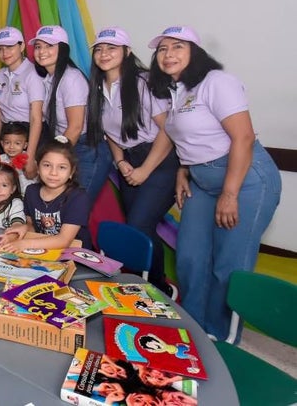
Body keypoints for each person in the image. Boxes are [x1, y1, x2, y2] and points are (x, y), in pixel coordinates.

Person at [148, 26, 281, 340]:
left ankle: (222, 338)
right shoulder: (177, 91)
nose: (168, 54)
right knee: (190, 257)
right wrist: (184, 169)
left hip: (245, 180)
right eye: (162, 49)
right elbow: (191, 138)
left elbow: (243, 138)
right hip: (202, 182)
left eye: (177, 47)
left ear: (195, 52)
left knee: (229, 265)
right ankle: (194, 331)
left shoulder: (217, 82)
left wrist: (230, 194)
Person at [87, 27, 178, 297]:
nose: (104, 54)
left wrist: (145, 170)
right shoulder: (97, 88)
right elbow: (112, 133)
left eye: (111, 48)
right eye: (99, 49)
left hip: (160, 159)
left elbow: (168, 131)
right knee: (136, 228)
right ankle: (140, 284)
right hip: (129, 160)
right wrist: (120, 161)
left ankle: (160, 288)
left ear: (127, 52)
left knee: (140, 224)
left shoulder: (144, 82)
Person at [31, 25, 112, 203]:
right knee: (61, 207)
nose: (42, 51)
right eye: (38, 46)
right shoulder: (49, 79)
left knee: (74, 207)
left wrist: (53, 159)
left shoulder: (71, 78)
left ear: (62, 49)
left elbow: (75, 127)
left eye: (49, 46)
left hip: (86, 148)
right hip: (67, 145)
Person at [1, 137, 92, 252]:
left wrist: (24, 244)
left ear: (71, 172)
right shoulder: (31, 191)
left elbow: (64, 240)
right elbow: (33, 226)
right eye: (47, 165)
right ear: (38, 167)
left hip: (74, 255)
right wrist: (24, 228)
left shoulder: (78, 197)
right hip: (43, 251)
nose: (53, 173)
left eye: (62, 167)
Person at [0, 27, 44, 180]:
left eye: (9, 47)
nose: (4, 53)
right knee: (4, 182)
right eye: (0, 49)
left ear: (22, 46)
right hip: (7, 136)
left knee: (27, 182)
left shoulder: (33, 74)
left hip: (29, 136)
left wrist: (30, 156)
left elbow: (36, 118)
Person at [0, 122, 37, 194]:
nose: (11, 147)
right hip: (7, 194)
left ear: (25, 145)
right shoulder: (0, 160)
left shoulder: (28, 160)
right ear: (2, 144)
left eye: (17, 143)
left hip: (27, 194)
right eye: (7, 143)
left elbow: (35, 176)